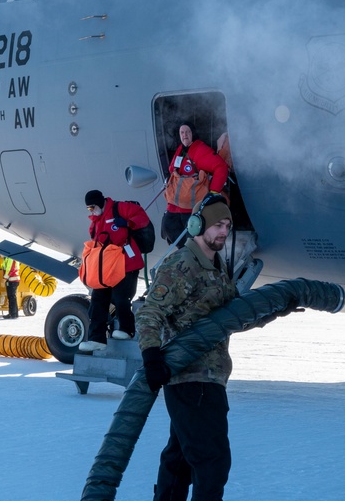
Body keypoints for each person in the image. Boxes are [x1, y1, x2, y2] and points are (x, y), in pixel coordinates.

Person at [135, 198, 237, 499]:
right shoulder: (182, 265)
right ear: (198, 225)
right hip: (193, 378)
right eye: (218, 225)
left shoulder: (216, 267)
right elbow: (150, 312)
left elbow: (232, 313)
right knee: (212, 461)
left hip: (209, 377)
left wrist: (278, 304)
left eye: (227, 226)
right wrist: (152, 356)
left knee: (179, 461)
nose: (223, 232)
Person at [79, 189, 151, 353]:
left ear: (100, 202)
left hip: (126, 263)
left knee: (121, 297)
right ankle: (97, 339)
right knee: (97, 299)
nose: (91, 211)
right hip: (106, 268)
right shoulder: (96, 221)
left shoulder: (120, 208)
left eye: (93, 207)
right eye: (89, 209)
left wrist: (128, 224)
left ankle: (127, 329)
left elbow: (140, 217)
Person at [162, 122, 229, 247]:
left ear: (193, 133)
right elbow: (172, 168)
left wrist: (213, 192)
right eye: (182, 132)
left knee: (192, 243)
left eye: (188, 132)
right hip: (174, 207)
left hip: (190, 209)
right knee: (171, 232)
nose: (185, 135)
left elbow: (221, 167)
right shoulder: (181, 149)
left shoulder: (200, 150)